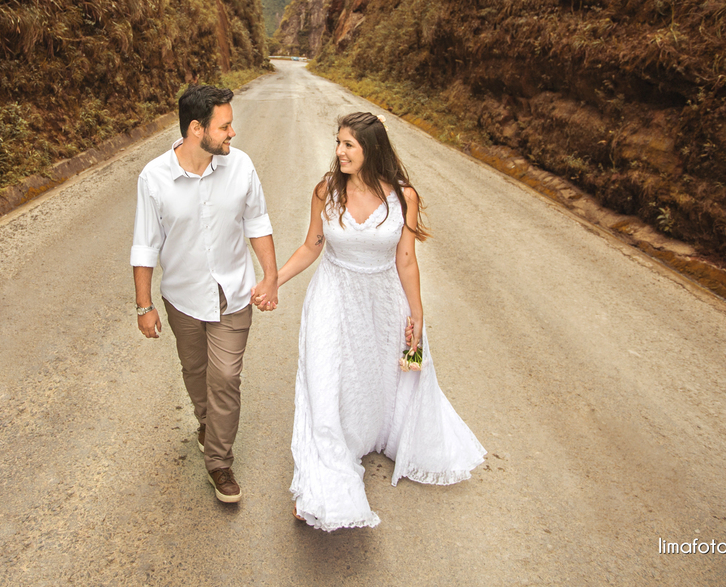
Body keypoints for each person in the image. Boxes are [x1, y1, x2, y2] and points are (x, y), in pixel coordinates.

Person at [269, 111, 485, 530]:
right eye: (338, 143)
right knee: (326, 379)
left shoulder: (404, 196)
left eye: (348, 144)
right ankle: (324, 479)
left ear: (371, 149)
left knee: (374, 376)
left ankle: (372, 435)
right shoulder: (326, 191)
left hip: (384, 301)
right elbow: (312, 246)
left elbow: (406, 259)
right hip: (333, 296)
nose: (339, 152)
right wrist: (274, 280)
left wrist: (417, 315)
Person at [131, 84, 278, 504]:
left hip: (233, 293)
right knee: (195, 371)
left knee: (226, 377)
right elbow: (145, 245)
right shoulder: (154, 177)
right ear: (197, 129)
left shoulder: (241, 166)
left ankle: (219, 461)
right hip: (182, 298)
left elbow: (258, 222)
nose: (233, 134)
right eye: (225, 126)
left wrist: (269, 276)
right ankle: (205, 422)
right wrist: (144, 306)